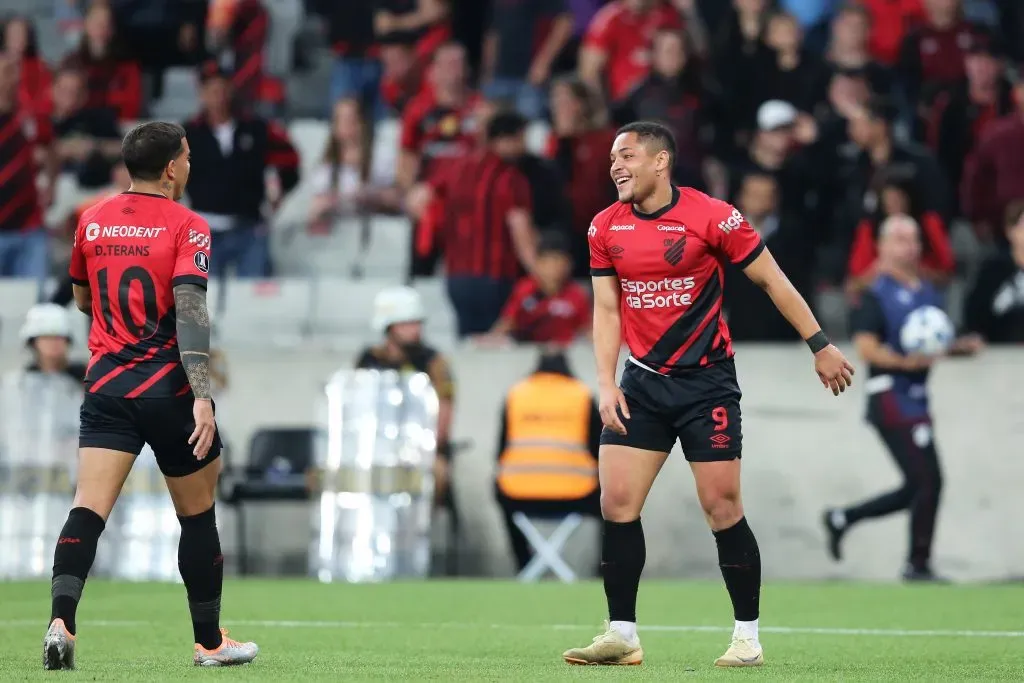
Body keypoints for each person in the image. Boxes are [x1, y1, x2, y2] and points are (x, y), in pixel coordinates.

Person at [561, 121, 854, 668]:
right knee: (616, 504)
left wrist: (820, 344)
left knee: (722, 507)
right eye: (611, 160)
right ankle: (622, 635)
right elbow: (606, 310)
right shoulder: (605, 227)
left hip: (707, 385)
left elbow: (772, 280)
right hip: (641, 383)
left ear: (660, 161)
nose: (615, 167)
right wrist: (605, 381)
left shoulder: (712, 215)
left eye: (626, 156)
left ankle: (747, 637)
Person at [42, 121, 258, 670]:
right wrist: (203, 395)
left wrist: (117, 334)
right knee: (197, 513)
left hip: (108, 385)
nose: (189, 166)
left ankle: (62, 621)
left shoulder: (90, 221)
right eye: (186, 158)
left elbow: (82, 298)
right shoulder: (188, 226)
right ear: (171, 168)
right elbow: (190, 311)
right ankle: (209, 643)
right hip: (169, 390)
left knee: (88, 508)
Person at [823, 214, 966, 582]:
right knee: (928, 480)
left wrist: (959, 346)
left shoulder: (927, 292)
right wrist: (905, 361)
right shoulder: (874, 293)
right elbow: (867, 349)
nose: (910, 246)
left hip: (916, 397)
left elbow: (933, 343)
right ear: (883, 246)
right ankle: (917, 564)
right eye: (901, 239)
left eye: (914, 239)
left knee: (921, 483)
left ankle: (844, 518)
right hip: (889, 397)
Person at [495, 348, 602, 573]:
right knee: (614, 503)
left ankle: (524, 564)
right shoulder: (581, 395)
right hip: (577, 495)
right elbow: (600, 451)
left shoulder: (516, 394)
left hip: (517, 496)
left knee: (498, 489)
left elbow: (501, 451)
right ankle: (604, 569)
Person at [355, 286, 455, 508]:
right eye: (407, 323)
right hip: (375, 447)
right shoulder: (369, 360)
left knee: (437, 474)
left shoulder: (434, 362)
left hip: (420, 450)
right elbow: (356, 405)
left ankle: (420, 535)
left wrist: (425, 447)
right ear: (389, 326)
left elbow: (445, 412)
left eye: (417, 323)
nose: (415, 330)